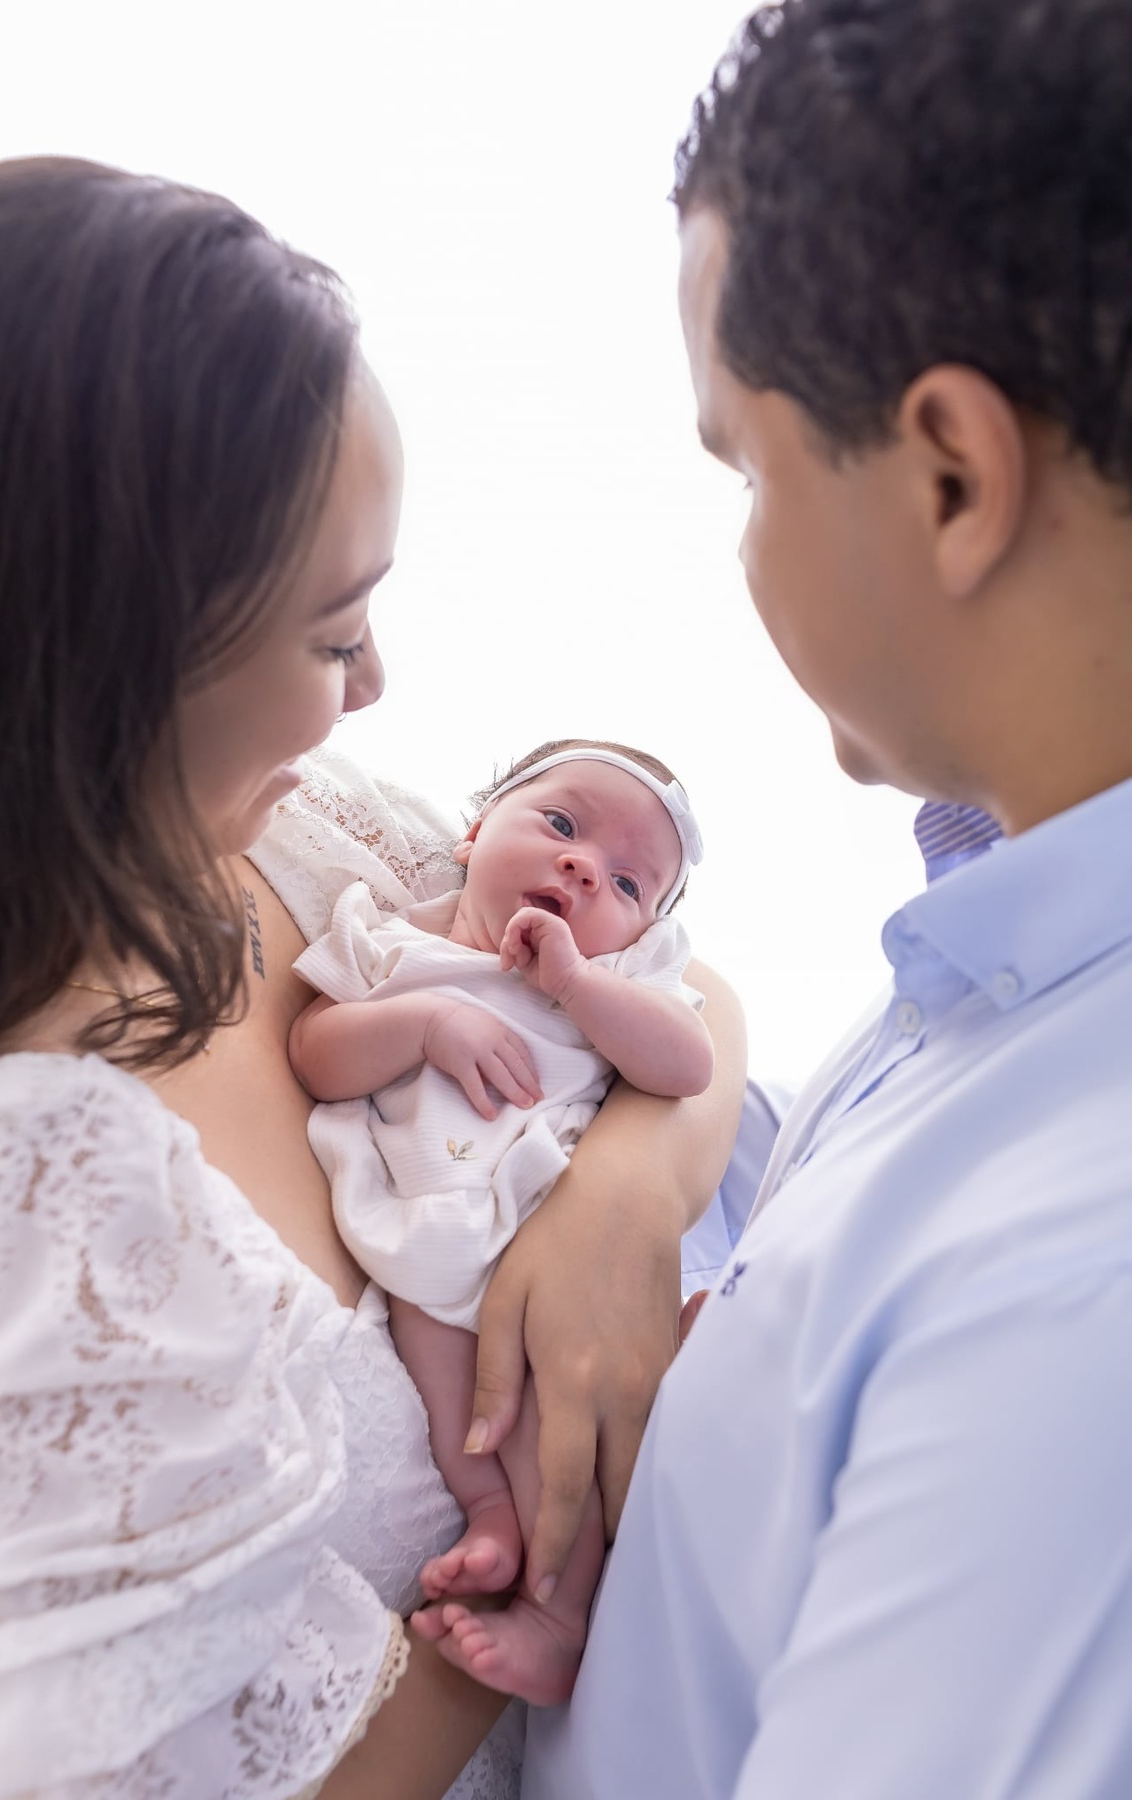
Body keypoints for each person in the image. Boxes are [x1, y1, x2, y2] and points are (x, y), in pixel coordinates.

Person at [0, 157, 747, 1799]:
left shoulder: (310, 850)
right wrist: (553, 1560)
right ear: (115, 656)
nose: (376, 683)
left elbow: (691, 985)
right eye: (330, 633)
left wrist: (624, 1200)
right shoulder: (24, 1200)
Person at [524, 1, 1132, 1794]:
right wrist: (641, 1170)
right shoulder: (995, 946)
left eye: (748, 469)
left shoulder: (1075, 1298)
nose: (745, 550)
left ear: (952, 474)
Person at [288, 741, 713, 1706]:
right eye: (562, 826)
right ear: (475, 831)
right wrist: (425, 1023)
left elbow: (686, 1065)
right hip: (425, 1217)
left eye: (627, 882)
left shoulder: (618, 983)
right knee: (455, 1391)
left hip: (548, 1218)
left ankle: (560, 1617)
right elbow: (315, 1052)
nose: (581, 867)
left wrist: (574, 987)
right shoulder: (397, 940)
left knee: (548, 1408)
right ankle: (489, 1521)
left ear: (641, 932)